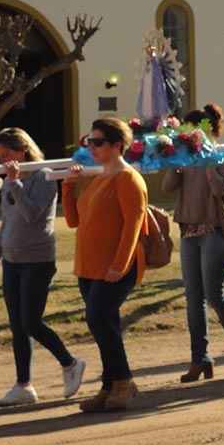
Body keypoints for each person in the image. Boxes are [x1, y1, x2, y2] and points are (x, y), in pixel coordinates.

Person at [0, 128, 84, 407]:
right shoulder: (8, 183)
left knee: (31, 321)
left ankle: (71, 363)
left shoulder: (45, 177)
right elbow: (7, 225)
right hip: (12, 261)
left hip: (37, 261)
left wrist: (15, 183)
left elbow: (31, 215)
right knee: (18, 326)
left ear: (22, 151)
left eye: (6, 155)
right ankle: (23, 385)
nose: (3, 161)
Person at [163, 104, 224, 382]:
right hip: (189, 233)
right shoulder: (186, 157)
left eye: (193, 133)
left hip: (217, 232)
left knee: (214, 294)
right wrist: (176, 167)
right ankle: (200, 359)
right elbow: (168, 187)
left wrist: (208, 167)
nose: (189, 138)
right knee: (194, 299)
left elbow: (219, 189)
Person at [62, 117, 148, 412]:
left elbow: (133, 226)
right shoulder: (97, 177)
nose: (92, 147)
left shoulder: (128, 178)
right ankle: (110, 385)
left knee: (98, 319)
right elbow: (74, 221)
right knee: (105, 324)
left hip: (116, 266)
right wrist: (68, 188)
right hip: (89, 266)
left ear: (117, 145)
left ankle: (124, 382)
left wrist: (119, 265)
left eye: (98, 142)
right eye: (90, 141)